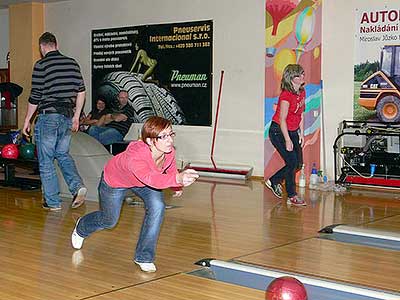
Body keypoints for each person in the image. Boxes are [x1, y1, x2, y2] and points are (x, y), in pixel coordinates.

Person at [71, 116, 199, 272]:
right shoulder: (135, 155)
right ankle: (82, 227)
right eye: (164, 136)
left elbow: (169, 168)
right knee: (109, 220)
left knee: (158, 206)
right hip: (115, 182)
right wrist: (177, 179)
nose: (170, 140)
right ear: (150, 141)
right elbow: (151, 178)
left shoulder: (169, 151)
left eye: (171, 134)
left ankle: (144, 257)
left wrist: (176, 185)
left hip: (144, 182)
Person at [22, 32, 87, 211]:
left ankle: (53, 202)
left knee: (46, 160)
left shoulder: (41, 64)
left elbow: (35, 95)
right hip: (67, 116)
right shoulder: (72, 63)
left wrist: (27, 120)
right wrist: (76, 116)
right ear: (56, 44)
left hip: (48, 116)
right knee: (63, 154)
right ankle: (77, 186)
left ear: (42, 47)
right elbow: (81, 91)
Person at [265, 64, 306, 206]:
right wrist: (288, 140)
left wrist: (302, 133)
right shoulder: (286, 96)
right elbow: (282, 119)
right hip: (278, 131)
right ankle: (292, 195)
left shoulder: (302, 92)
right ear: (291, 79)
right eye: (298, 75)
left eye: (302, 74)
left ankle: (274, 180)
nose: (302, 77)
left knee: (298, 163)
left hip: (293, 130)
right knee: (292, 162)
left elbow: (301, 113)